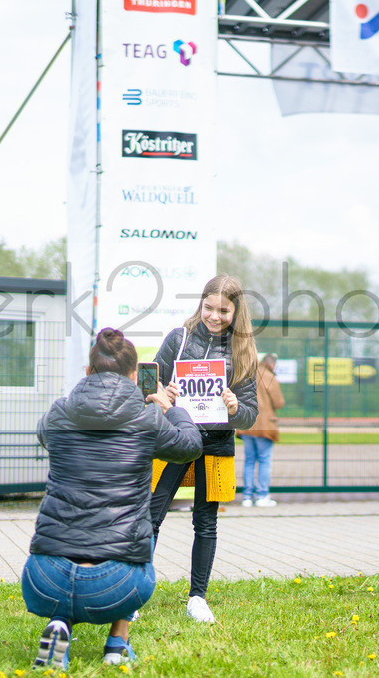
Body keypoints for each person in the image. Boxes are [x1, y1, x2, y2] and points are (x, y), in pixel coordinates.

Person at [23, 328, 202, 669]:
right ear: (136, 376)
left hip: (43, 581)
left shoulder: (58, 413)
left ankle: (59, 624)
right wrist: (169, 409)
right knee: (140, 533)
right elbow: (189, 446)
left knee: (73, 536)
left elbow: (45, 432)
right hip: (116, 587)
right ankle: (116, 646)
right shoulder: (148, 417)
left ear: (88, 372)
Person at [150, 275, 259, 622]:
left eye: (223, 310)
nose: (214, 316)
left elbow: (249, 415)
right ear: (201, 303)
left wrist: (234, 408)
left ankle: (197, 598)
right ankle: (132, 593)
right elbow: (148, 383)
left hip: (216, 444)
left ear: (236, 311)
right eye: (208, 307)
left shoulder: (243, 351)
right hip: (174, 440)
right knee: (150, 517)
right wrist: (161, 395)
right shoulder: (177, 339)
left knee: (206, 522)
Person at [238, 353, 286, 507]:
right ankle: (262, 496)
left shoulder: (246, 375)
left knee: (249, 461)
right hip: (265, 426)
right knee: (264, 461)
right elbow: (278, 402)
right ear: (272, 365)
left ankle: (246, 497)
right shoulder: (268, 376)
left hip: (246, 425)